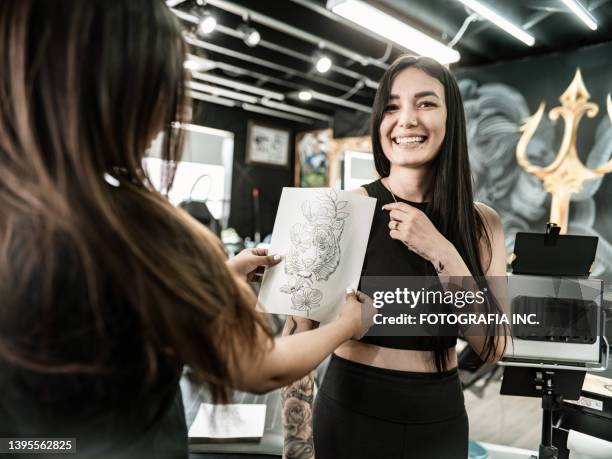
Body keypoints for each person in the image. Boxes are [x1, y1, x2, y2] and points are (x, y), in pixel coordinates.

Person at [0, 1, 373, 458]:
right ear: (126, 88)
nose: (179, 104)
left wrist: (214, 278)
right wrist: (348, 325)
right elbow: (261, 367)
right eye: (170, 82)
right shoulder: (136, 227)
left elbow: (125, 321)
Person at [281, 55, 508, 459]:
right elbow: (297, 337)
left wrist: (443, 252)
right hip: (352, 412)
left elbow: (494, 346)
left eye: (425, 103)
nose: (406, 120)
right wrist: (296, 446)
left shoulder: (482, 224)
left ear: (450, 117)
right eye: (392, 106)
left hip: (440, 419)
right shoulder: (340, 210)